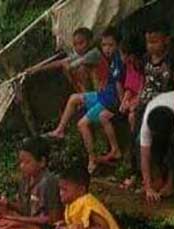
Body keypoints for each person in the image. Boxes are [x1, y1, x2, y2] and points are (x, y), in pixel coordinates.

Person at [44, 27, 126, 173]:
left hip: (109, 100)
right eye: (104, 45)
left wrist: (121, 105)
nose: (106, 49)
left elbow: (71, 64)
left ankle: (92, 159)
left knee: (82, 124)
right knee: (73, 98)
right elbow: (65, 62)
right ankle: (60, 130)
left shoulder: (96, 55)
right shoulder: (111, 58)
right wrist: (39, 68)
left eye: (110, 45)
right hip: (103, 95)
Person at [122, 22, 174, 190]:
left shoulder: (172, 60)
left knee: (161, 143)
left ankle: (160, 180)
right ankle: (140, 175)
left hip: (162, 108)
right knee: (137, 141)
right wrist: (137, 101)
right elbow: (144, 83)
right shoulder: (145, 59)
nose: (151, 46)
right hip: (144, 105)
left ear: (166, 40)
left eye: (155, 41)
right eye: (148, 42)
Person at [0, 138, 63, 229]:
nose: (22, 166)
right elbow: (25, 208)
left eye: (27, 162)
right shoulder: (26, 179)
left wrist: (19, 220)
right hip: (33, 223)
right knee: (3, 224)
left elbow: (54, 219)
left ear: (42, 162)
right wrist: (8, 204)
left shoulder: (49, 182)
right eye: (21, 162)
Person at [29, 27, 103, 93]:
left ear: (90, 42)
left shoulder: (94, 53)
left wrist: (66, 66)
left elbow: (69, 66)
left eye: (81, 43)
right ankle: (85, 95)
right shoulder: (80, 54)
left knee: (80, 69)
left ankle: (88, 96)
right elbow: (60, 62)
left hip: (103, 88)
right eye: (75, 44)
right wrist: (37, 69)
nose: (78, 47)